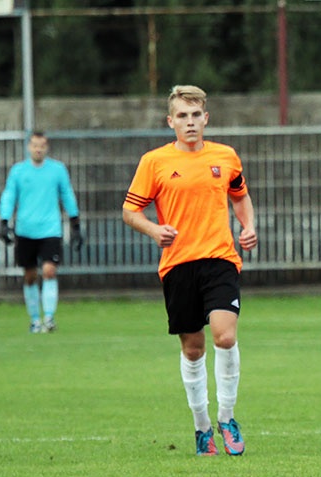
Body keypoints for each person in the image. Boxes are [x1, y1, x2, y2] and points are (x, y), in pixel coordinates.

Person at [123, 85, 257, 457]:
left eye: (196, 115)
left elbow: (240, 195)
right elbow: (130, 210)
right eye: (182, 116)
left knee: (225, 338)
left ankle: (227, 418)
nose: (190, 122)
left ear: (206, 118)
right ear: (171, 122)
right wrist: (154, 230)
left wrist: (247, 226)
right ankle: (201, 427)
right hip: (178, 265)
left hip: (220, 259)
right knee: (193, 349)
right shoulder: (155, 162)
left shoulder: (225, 156)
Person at [0, 131, 84, 333]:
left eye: (42, 145)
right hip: (25, 230)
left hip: (50, 228)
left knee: (49, 271)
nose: (38, 149)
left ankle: (49, 318)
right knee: (30, 275)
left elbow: (67, 194)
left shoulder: (57, 170)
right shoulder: (18, 171)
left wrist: (75, 223)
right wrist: (3, 221)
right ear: (29, 147)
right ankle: (35, 319)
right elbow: (9, 195)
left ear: (47, 147)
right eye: (35, 145)